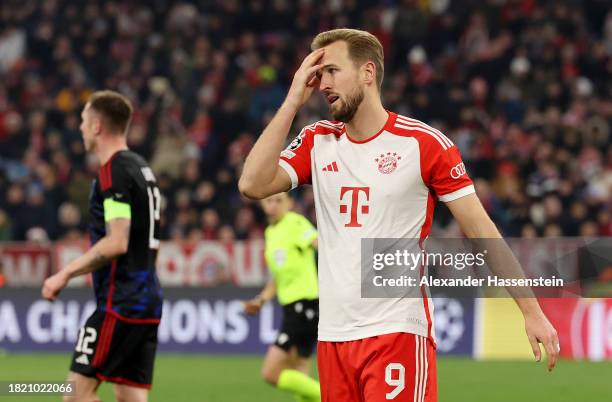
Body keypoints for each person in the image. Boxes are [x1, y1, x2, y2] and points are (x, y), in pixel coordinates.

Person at [238, 28, 559, 402]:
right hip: (334, 338)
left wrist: (530, 310)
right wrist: (292, 99)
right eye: (317, 73)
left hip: (397, 333)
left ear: (368, 73)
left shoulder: (423, 144)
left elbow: (481, 230)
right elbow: (252, 184)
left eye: (333, 71)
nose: (322, 83)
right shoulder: (317, 140)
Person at [42, 90, 163, 402]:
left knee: (75, 395)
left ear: (96, 126)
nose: (81, 127)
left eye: (83, 120)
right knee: (129, 396)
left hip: (121, 301)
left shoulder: (114, 172)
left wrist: (63, 274)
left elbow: (117, 241)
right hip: (147, 299)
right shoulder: (141, 168)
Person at [243, 192, 320, 402]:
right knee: (300, 368)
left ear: (290, 203)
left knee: (270, 373)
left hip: (304, 305)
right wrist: (261, 300)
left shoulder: (295, 222)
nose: (274, 205)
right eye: (269, 201)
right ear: (262, 204)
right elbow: (277, 278)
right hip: (294, 307)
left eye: (279, 200)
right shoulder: (270, 232)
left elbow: (319, 244)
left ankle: (332, 397)